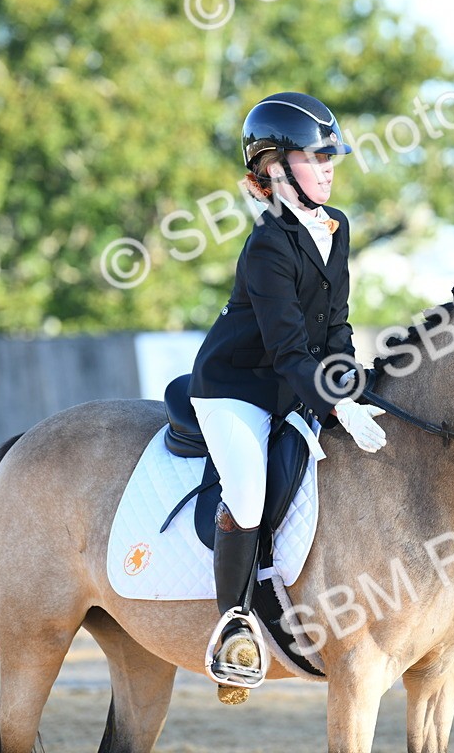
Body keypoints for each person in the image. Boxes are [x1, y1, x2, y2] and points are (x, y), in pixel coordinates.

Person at [188, 92, 387, 687]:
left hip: (293, 384)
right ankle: (233, 624)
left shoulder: (337, 226)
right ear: (274, 169)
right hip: (236, 388)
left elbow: (338, 325)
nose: (329, 167)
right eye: (315, 157)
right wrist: (336, 403)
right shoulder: (268, 244)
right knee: (247, 494)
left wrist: (351, 380)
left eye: (332, 157)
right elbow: (289, 351)